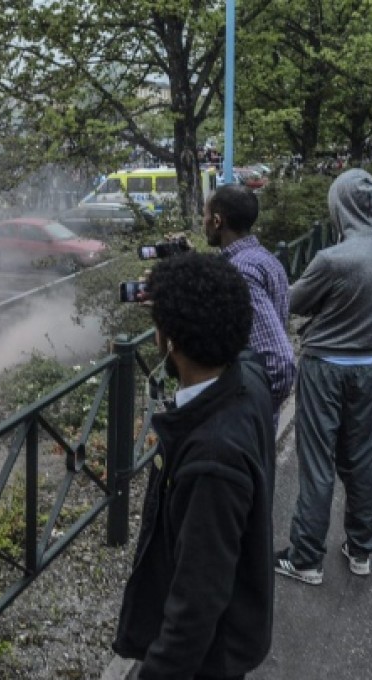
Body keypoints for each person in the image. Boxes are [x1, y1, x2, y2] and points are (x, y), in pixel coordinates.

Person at [113, 253, 275, 680]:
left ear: (168, 340)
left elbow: (198, 600)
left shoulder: (212, 458)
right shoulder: (247, 379)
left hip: (208, 659)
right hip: (232, 635)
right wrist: (179, 289)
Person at [274, 169, 372, 585]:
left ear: (339, 207)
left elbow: (291, 302)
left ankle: (306, 557)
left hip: (325, 367)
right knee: (361, 458)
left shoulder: (333, 259)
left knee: (317, 463)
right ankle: (361, 546)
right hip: (367, 365)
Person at [203, 184, 296, 421]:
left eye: (204, 216)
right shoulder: (265, 259)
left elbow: (279, 360)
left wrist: (253, 405)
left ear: (217, 221)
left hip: (244, 412)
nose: (202, 223)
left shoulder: (241, 270)